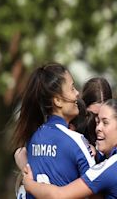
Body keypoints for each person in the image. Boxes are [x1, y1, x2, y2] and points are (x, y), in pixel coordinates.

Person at [22, 99, 117, 199]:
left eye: (105, 123)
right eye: (97, 122)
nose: (98, 128)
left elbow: (59, 196)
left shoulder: (112, 167)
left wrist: (29, 185)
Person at [11, 63, 95, 198]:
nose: (77, 93)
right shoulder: (76, 142)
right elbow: (98, 186)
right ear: (57, 101)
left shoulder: (33, 139)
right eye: (72, 88)